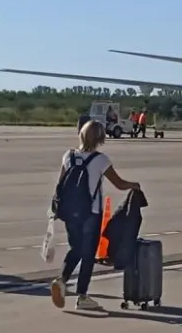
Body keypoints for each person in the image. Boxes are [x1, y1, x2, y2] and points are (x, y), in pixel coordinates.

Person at [50, 120, 140, 311]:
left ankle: (62, 279)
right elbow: (119, 183)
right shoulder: (100, 160)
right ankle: (82, 295)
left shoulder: (69, 156)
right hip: (91, 213)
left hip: (70, 212)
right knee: (88, 253)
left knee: (76, 248)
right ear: (100, 138)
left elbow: (60, 185)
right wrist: (134, 185)